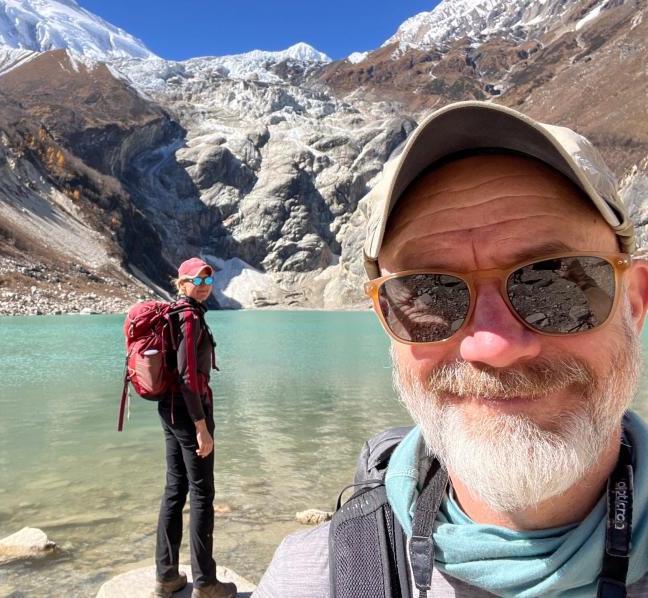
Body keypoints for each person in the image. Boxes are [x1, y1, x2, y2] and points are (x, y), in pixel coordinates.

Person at [255, 101, 648, 596]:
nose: (494, 346)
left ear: (634, 301)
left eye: (555, 283)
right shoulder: (312, 578)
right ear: (386, 320)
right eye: (429, 294)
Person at [153, 257, 236, 598]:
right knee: (202, 494)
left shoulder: (177, 313)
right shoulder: (188, 317)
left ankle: (167, 577)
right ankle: (205, 583)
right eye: (196, 281)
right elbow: (188, 376)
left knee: (175, 489)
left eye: (208, 280)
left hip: (170, 410)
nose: (203, 286)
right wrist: (201, 425)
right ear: (182, 283)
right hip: (189, 414)